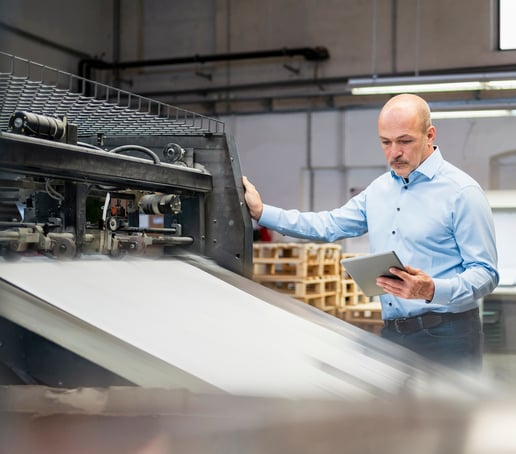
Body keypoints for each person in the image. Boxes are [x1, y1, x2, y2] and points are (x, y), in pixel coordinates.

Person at [242, 93, 499, 372]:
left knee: (447, 416)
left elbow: (485, 273)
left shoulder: (462, 193)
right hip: (393, 334)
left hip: (448, 336)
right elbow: (328, 225)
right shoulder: (378, 191)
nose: (394, 153)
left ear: (429, 135)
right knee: (394, 417)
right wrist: (262, 212)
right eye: (385, 143)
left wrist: (432, 289)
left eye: (404, 141)